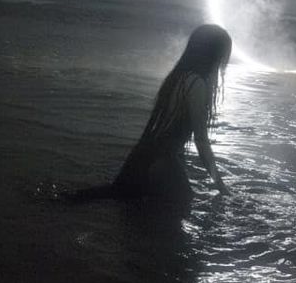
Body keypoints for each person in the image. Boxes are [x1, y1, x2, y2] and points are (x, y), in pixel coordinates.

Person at [70, 24, 232, 202]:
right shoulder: (196, 84)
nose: (222, 63)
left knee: (122, 204)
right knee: (177, 209)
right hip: (161, 162)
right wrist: (220, 185)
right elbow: (201, 140)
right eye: (222, 56)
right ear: (213, 54)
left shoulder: (180, 76)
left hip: (145, 156)